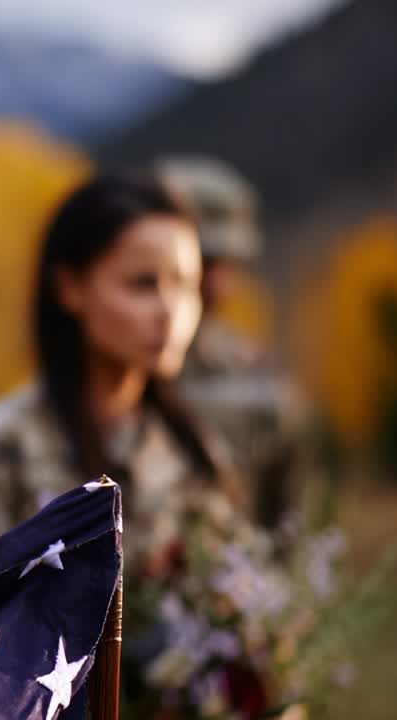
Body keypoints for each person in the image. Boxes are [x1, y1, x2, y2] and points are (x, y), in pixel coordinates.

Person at [0, 174, 237, 570]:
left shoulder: (191, 448)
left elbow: (234, 601)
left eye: (186, 285)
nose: (170, 312)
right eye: (142, 284)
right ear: (70, 288)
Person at [156, 156, 312, 528]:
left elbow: (291, 525)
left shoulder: (258, 375)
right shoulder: (102, 369)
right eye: (200, 260)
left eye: (225, 264)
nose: (212, 284)